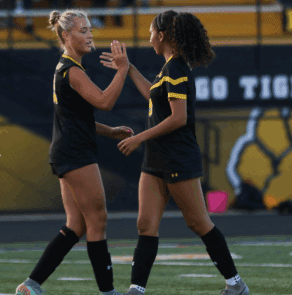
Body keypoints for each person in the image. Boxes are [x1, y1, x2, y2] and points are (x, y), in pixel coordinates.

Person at [100, 10, 249, 295]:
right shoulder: (167, 69)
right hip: (156, 159)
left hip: (178, 157)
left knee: (199, 223)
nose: (149, 38)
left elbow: (178, 118)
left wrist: (139, 138)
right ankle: (136, 289)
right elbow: (153, 97)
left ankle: (236, 284)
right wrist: (128, 68)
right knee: (146, 225)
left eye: (151, 32)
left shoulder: (177, 68)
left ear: (163, 34)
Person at [16, 9, 131, 295]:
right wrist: (123, 70)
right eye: (83, 30)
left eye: (90, 29)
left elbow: (79, 118)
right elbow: (104, 101)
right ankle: (108, 292)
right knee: (98, 219)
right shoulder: (73, 71)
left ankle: (31, 285)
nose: (90, 35)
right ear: (66, 36)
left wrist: (111, 131)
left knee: (76, 225)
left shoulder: (66, 67)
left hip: (67, 151)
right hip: (75, 153)